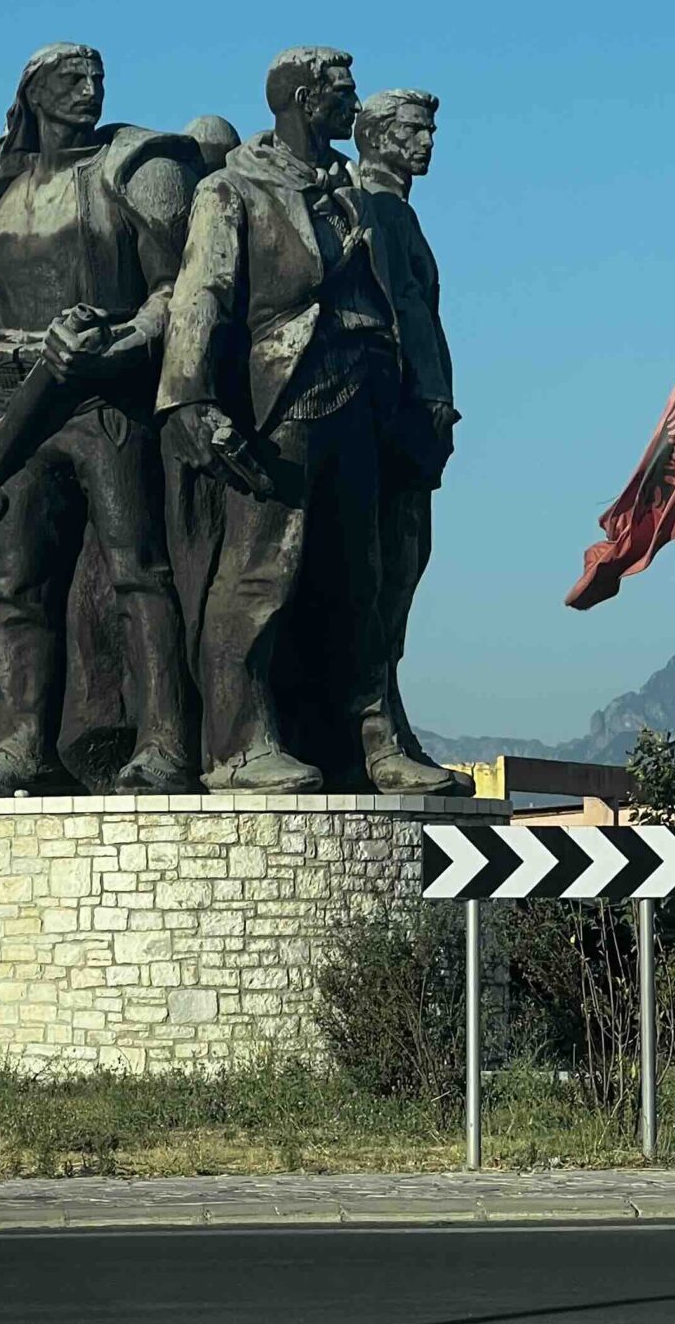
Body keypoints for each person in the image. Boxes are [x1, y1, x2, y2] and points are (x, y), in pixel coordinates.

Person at [159, 47, 463, 795]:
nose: (352, 108)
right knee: (262, 572)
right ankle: (239, 744)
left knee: (362, 580)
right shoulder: (234, 189)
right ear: (302, 98)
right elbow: (200, 298)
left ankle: (372, 742)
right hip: (281, 399)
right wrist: (191, 402)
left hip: (363, 402)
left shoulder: (357, 196)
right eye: (342, 95)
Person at [0, 43, 202, 794]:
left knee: (140, 569)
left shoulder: (132, 173)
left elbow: (175, 294)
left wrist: (116, 346)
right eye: (72, 80)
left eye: (98, 79)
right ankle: (24, 745)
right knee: (19, 582)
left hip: (104, 403)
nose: (91, 90)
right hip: (17, 406)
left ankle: (164, 743)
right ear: (34, 94)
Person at [354, 88, 458, 773]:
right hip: (385, 422)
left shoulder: (402, 212)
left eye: (431, 130)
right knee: (379, 578)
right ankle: (372, 728)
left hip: (416, 424)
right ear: (377, 134)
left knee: (403, 575)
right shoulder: (367, 206)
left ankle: (388, 716)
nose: (427, 141)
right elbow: (391, 311)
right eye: (413, 129)